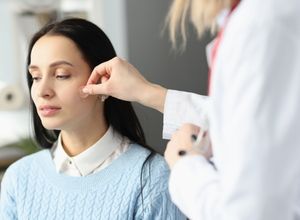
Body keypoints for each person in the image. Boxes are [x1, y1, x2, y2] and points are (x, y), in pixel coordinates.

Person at [80, 0, 300, 219]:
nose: (44, 91)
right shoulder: (261, 21)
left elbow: (251, 211)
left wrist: (186, 164)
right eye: (42, 76)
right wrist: (147, 92)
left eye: (62, 75)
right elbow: (244, 119)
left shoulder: (262, 26)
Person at [0, 18, 186, 220]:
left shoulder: (152, 178)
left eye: (61, 75)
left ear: (103, 82)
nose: (42, 91)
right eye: (36, 77)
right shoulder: (19, 178)